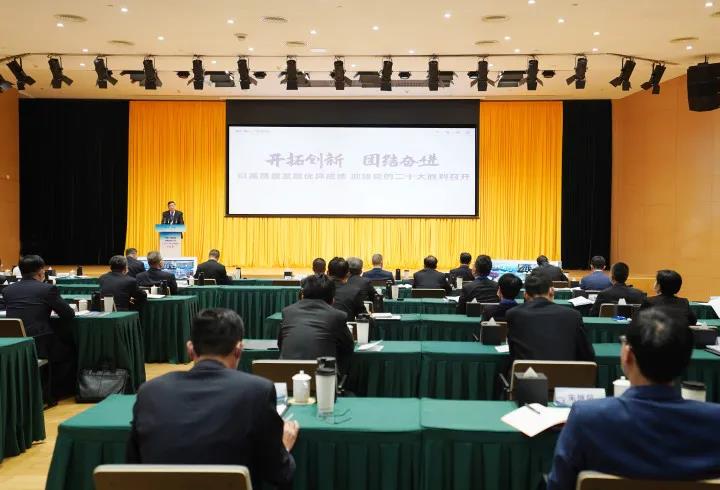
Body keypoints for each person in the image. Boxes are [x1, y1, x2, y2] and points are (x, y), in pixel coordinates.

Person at [547, 309, 720, 489]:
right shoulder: (715, 422)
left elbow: (559, 485)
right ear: (686, 361)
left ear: (627, 355)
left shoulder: (586, 418)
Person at [127, 308, 297, 490]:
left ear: (190, 350)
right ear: (239, 350)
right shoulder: (258, 391)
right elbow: (280, 473)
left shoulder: (149, 392)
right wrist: (284, 447)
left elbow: (133, 467)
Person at [1, 255, 76, 398]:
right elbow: (68, 314)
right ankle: (51, 392)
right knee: (69, 350)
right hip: (39, 341)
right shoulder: (47, 289)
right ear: (41, 271)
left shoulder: (8, 290)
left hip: (14, 344)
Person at [506, 275, 595, 363]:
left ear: (525, 295)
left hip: (527, 371)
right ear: (551, 291)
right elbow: (587, 355)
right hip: (564, 371)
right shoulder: (573, 315)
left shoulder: (513, 314)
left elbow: (513, 351)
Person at [278, 274, 354, 375]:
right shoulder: (337, 316)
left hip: (285, 376)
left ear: (302, 295)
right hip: (322, 378)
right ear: (332, 298)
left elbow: (280, 344)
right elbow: (348, 347)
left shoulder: (288, 312)